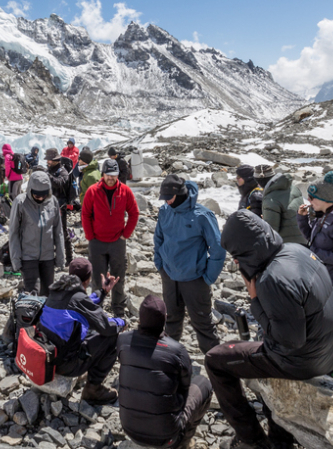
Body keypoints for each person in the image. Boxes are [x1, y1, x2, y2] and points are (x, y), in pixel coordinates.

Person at [208, 210, 333, 449]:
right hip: (329, 352)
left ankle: (251, 440)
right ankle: (281, 445)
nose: (236, 263)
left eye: (237, 255)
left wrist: (255, 300)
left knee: (216, 360)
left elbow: (289, 341)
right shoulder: (296, 250)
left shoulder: (271, 279)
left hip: (302, 361)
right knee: (256, 347)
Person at [118, 295, 213, 449]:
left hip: (130, 431)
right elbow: (185, 386)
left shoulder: (123, 340)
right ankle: (183, 440)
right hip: (167, 438)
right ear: (164, 321)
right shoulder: (177, 350)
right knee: (203, 383)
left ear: (140, 319)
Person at [153, 175, 225, 354]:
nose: (166, 202)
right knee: (171, 321)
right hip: (169, 276)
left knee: (203, 324)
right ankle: (167, 359)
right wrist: (160, 265)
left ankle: (217, 364)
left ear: (179, 194)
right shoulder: (165, 211)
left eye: (169, 197)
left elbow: (218, 249)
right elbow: (158, 239)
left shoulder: (202, 215)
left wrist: (207, 278)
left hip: (194, 279)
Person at [38, 258, 123, 404]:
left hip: (48, 355)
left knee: (88, 328)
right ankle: (93, 389)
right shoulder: (76, 299)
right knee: (112, 336)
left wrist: (102, 292)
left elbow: (83, 303)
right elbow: (107, 327)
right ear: (88, 280)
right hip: (64, 365)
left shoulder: (57, 290)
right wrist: (122, 322)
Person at [82, 158, 140, 316]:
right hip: (97, 242)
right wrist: (90, 236)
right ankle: (96, 309)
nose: (111, 177)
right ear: (103, 174)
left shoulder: (125, 191)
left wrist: (125, 234)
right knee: (96, 278)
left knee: (118, 277)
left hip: (117, 242)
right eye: (108, 174)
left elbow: (134, 213)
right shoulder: (93, 191)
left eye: (113, 174)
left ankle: (118, 308)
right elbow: (85, 214)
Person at [8, 170, 67, 295]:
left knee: (48, 293)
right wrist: (16, 260)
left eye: (43, 195)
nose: (40, 198)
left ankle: (44, 315)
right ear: (30, 191)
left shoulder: (53, 202)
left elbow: (58, 231)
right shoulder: (20, 203)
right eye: (37, 195)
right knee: (33, 293)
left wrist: (61, 257)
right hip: (28, 256)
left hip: (48, 257)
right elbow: (13, 232)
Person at [45, 148, 76, 262]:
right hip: (50, 205)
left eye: (49, 160)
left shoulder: (62, 171)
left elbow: (60, 183)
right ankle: (55, 257)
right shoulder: (50, 170)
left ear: (55, 160)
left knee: (62, 232)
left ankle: (69, 259)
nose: (48, 162)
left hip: (60, 206)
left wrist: (48, 176)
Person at [261, 171, 306, 246]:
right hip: (303, 240)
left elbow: (271, 232)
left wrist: (263, 222)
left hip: (287, 246)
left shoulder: (270, 198)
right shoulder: (294, 188)